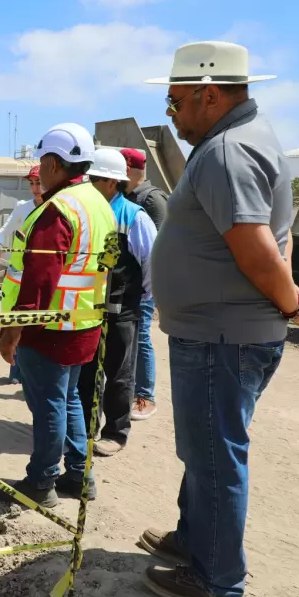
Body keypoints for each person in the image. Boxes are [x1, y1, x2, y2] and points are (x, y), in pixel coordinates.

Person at [140, 41, 299, 597]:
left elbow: (254, 246)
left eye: (175, 104)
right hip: (219, 331)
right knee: (203, 448)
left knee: (215, 454)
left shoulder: (228, 151)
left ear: (209, 95)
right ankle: (197, 540)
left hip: (222, 336)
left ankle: (216, 579)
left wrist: (291, 302)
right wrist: (289, 291)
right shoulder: (248, 138)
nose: (171, 115)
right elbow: (282, 235)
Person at [0, 124, 116, 507]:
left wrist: (12, 332)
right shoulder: (100, 204)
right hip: (85, 322)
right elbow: (111, 264)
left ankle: (42, 481)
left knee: (49, 404)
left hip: (50, 328)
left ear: (51, 163)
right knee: (69, 402)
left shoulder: (56, 210)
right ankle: (80, 477)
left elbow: (38, 283)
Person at [79, 149, 157, 458]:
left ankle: (116, 431)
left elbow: (152, 263)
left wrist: (140, 298)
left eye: (94, 179)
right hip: (88, 308)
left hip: (123, 310)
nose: (90, 184)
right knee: (87, 372)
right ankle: (84, 429)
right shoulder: (86, 212)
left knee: (119, 374)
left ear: (111, 183)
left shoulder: (134, 217)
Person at [120, 147, 168, 421]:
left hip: (144, 287)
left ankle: (145, 396)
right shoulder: (127, 198)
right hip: (128, 286)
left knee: (142, 339)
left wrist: (151, 291)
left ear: (128, 169)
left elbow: (158, 248)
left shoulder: (152, 199)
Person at [0, 165, 43, 385]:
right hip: (17, 277)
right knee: (13, 322)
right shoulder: (23, 209)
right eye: (31, 183)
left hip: (41, 277)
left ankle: (33, 373)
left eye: (38, 182)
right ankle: (15, 372)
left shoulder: (56, 210)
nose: (34, 188)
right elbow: (5, 230)